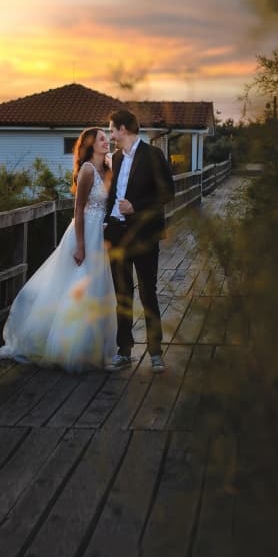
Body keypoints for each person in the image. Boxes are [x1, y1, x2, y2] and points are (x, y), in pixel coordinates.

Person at [0, 127, 117, 372]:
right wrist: (81, 245)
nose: (107, 142)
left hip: (100, 235)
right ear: (91, 145)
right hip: (83, 235)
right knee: (77, 287)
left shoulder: (107, 168)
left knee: (96, 288)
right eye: (102, 139)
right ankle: (68, 347)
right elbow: (79, 210)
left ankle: (92, 348)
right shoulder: (87, 170)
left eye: (107, 138)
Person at [103, 109, 175, 373]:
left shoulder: (153, 155)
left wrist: (137, 207)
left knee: (147, 293)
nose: (111, 135)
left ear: (123, 129)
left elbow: (168, 193)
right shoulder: (117, 158)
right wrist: (106, 223)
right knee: (122, 295)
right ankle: (124, 351)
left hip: (144, 235)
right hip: (117, 235)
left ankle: (155, 352)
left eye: (112, 130)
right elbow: (113, 195)